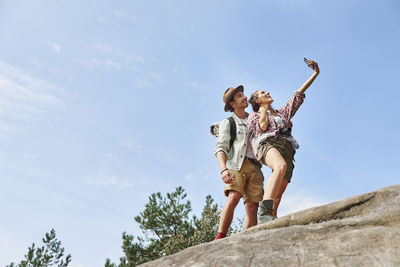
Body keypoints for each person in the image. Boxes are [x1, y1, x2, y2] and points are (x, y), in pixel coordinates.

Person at [248, 59, 320, 223]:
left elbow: (297, 97)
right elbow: (263, 127)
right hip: (269, 144)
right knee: (280, 166)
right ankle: (263, 212)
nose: (267, 93)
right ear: (258, 101)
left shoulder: (282, 114)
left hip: (287, 148)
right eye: (263, 93)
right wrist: (263, 111)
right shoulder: (255, 115)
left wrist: (315, 73)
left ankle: (269, 220)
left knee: (278, 195)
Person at [213, 85, 264, 239]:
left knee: (252, 206)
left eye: (243, 94)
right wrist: (223, 170)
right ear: (233, 104)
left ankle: (247, 239)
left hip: (255, 166)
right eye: (240, 96)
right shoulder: (228, 123)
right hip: (236, 164)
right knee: (234, 195)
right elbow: (221, 148)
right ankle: (220, 236)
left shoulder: (254, 118)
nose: (244, 97)